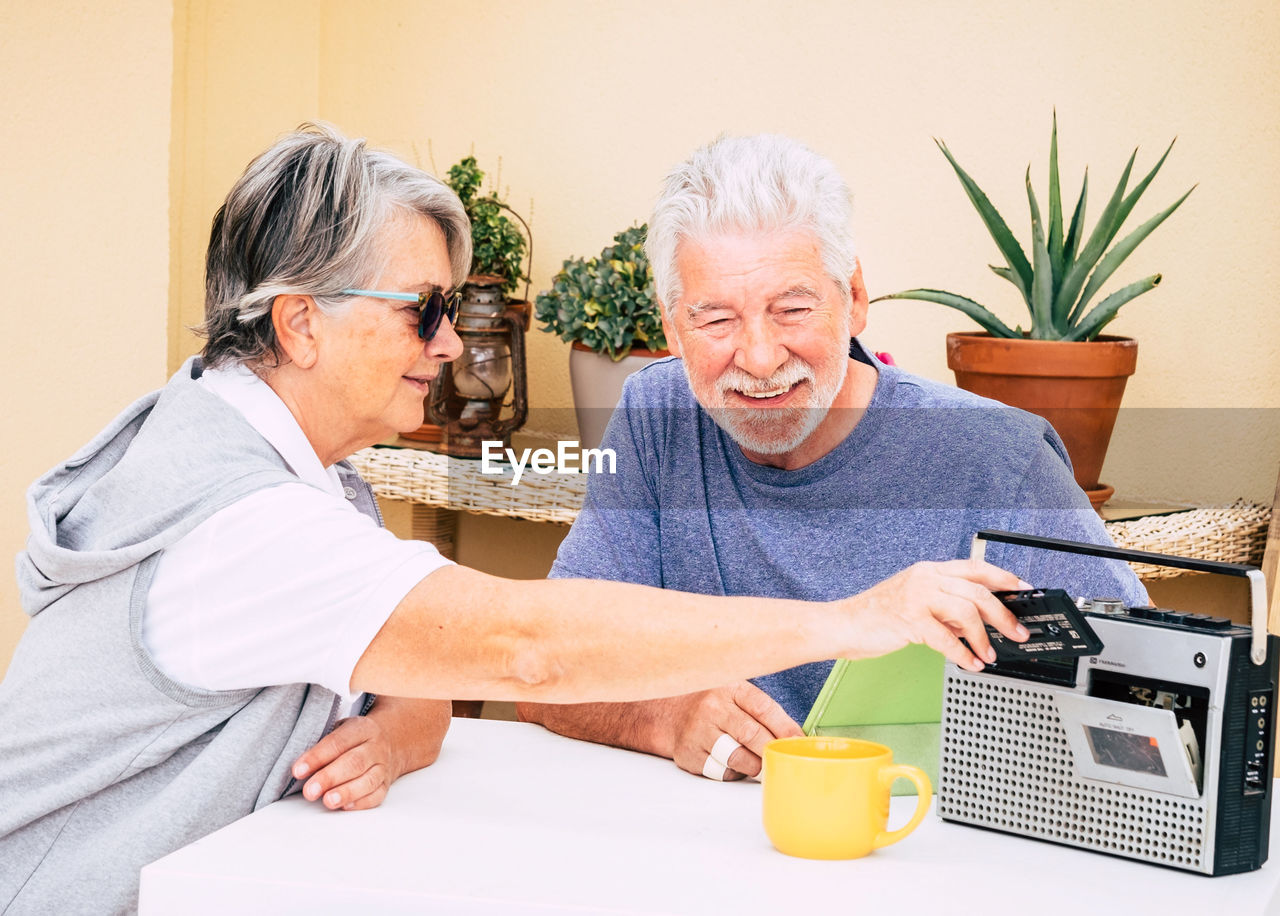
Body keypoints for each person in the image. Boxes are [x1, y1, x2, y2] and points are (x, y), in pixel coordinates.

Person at [0, 124, 1034, 915]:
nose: (451, 345)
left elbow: (426, 674)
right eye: (422, 310)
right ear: (299, 322)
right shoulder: (244, 525)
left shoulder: (273, 456)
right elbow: (524, 649)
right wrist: (856, 617)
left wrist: (403, 725)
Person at [518, 134, 1146, 782]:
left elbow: (1147, 703)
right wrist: (667, 717)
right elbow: (547, 668)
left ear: (855, 298)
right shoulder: (657, 415)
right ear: (673, 329)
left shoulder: (998, 457)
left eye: (792, 309)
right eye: (716, 322)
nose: (760, 358)